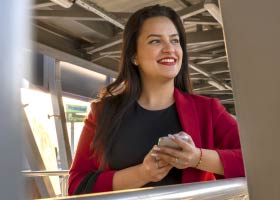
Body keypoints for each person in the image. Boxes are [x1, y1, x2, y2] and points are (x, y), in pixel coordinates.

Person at [68, 4, 244, 195]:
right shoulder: (103, 113)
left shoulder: (208, 110)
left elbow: (255, 160)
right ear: (134, 55)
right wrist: (143, 173)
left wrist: (196, 158)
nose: (170, 49)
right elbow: (77, 186)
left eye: (175, 41)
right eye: (155, 41)